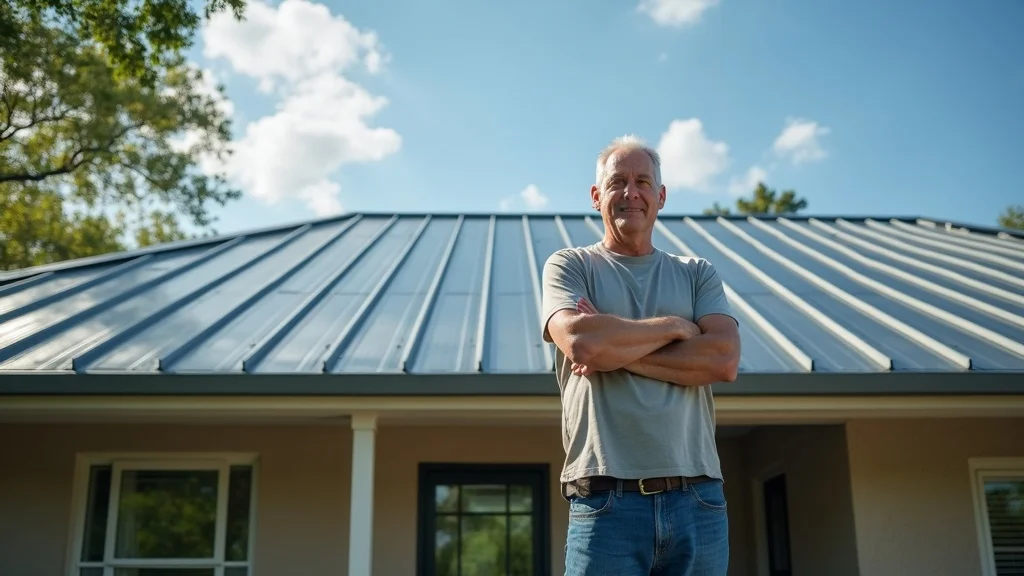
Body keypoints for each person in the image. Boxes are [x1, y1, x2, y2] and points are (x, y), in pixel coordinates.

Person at [541, 135, 742, 575]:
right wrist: (674, 328)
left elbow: (723, 360)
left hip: (697, 499)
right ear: (597, 196)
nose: (630, 193)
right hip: (606, 502)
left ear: (661, 196)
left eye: (643, 182)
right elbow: (581, 343)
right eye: (617, 182)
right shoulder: (570, 266)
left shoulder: (697, 274)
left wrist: (614, 351)